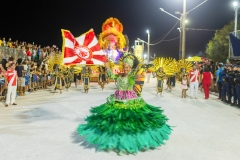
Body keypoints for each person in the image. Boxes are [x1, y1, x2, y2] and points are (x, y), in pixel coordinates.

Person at [77, 54, 171, 154]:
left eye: (127, 67)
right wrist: (108, 67)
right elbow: (111, 75)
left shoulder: (132, 75)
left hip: (130, 99)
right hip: (118, 98)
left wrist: (142, 69)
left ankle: (130, 140)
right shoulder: (119, 75)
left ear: (130, 68)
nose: (125, 69)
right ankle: (118, 139)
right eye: (124, 67)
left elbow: (140, 74)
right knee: (117, 119)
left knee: (129, 119)